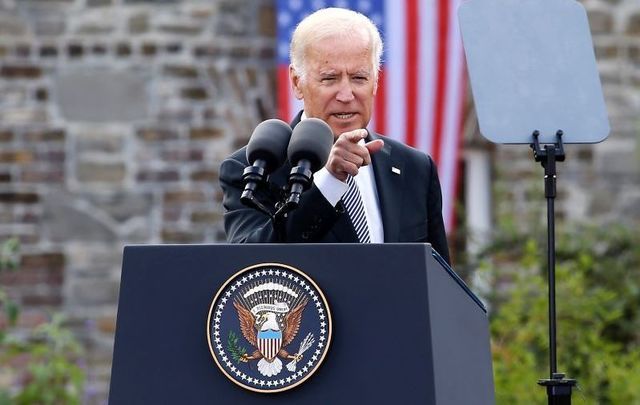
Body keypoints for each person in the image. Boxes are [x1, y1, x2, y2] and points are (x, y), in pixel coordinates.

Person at [219, 7, 450, 264]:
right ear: (297, 82)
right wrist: (328, 182)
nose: (346, 94)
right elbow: (250, 268)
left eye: (359, 77)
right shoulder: (256, 167)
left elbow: (441, 282)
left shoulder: (414, 168)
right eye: (329, 79)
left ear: (376, 82)